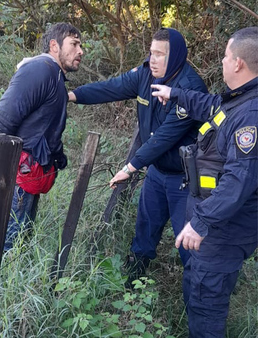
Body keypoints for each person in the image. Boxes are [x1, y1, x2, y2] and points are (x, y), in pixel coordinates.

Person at [68, 28, 208, 287]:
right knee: (144, 235)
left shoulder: (190, 88)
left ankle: (197, 306)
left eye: (159, 55)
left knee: (188, 247)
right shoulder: (145, 74)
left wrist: (130, 168)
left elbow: (163, 138)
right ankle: (133, 291)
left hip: (185, 182)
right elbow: (111, 88)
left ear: (175, 56)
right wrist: (71, 96)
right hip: (156, 175)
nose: (152, 59)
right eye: (151, 52)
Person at [151, 26, 258, 338]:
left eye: (225, 56)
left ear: (238, 63)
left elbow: (239, 181)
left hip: (223, 232)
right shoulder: (238, 99)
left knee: (206, 306)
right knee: (196, 292)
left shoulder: (250, 115)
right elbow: (211, 106)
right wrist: (176, 93)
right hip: (214, 228)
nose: (222, 61)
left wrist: (200, 222)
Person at [0, 22, 83, 252]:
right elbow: (0, 122)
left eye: (81, 45)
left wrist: (56, 154)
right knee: (11, 243)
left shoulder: (54, 76)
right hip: (19, 175)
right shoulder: (40, 70)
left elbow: (42, 126)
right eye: (74, 44)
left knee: (21, 238)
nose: (81, 51)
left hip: (31, 173)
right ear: (54, 45)